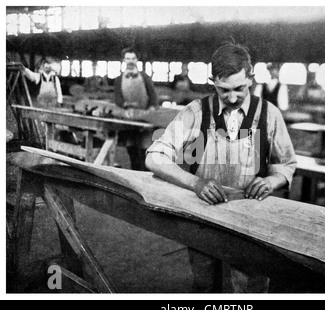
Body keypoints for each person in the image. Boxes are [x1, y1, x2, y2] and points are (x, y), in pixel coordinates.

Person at [146, 43, 297, 293]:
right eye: (223, 90)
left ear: (250, 78)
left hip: (251, 217)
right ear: (212, 81)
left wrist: (271, 181)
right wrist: (195, 183)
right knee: (205, 283)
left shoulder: (269, 115)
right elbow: (154, 157)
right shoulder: (196, 112)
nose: (233, 97)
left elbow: (287, 164)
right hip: (204, 213)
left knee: (250, 287)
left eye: (240, 88)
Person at [113, 48, 159, 170]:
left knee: (145, 149)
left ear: (137, 60)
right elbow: (118, 99)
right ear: (123, 60)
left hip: (144, 119)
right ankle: (135, 172)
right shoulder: (118, 79)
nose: (131, 61)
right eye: (128, 58)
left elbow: (153, 97)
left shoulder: (145, 77)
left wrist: (152, 110)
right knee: (131, 149)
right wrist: (124, 105)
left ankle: (146, 177)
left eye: (133, 58)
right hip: (129, 118)